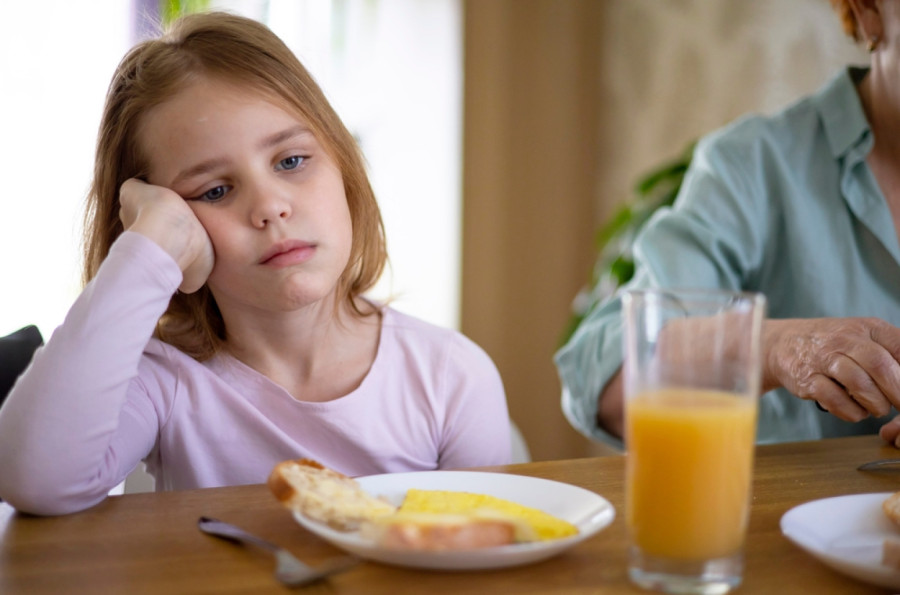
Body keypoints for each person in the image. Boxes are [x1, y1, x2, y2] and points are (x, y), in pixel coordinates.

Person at [0, 12, 511, 516]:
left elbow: (482, 549)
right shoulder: (166, 377)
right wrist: (151, 246)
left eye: (291, 161)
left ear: (343, 167)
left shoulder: (450, 376)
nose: (269, 208)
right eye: (215, 190)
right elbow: (33, 479)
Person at [555, 0, 900, 451]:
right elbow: (605, 377)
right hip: (772, 519)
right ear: (869, 10)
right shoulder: (752, 163)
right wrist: (775, 345)